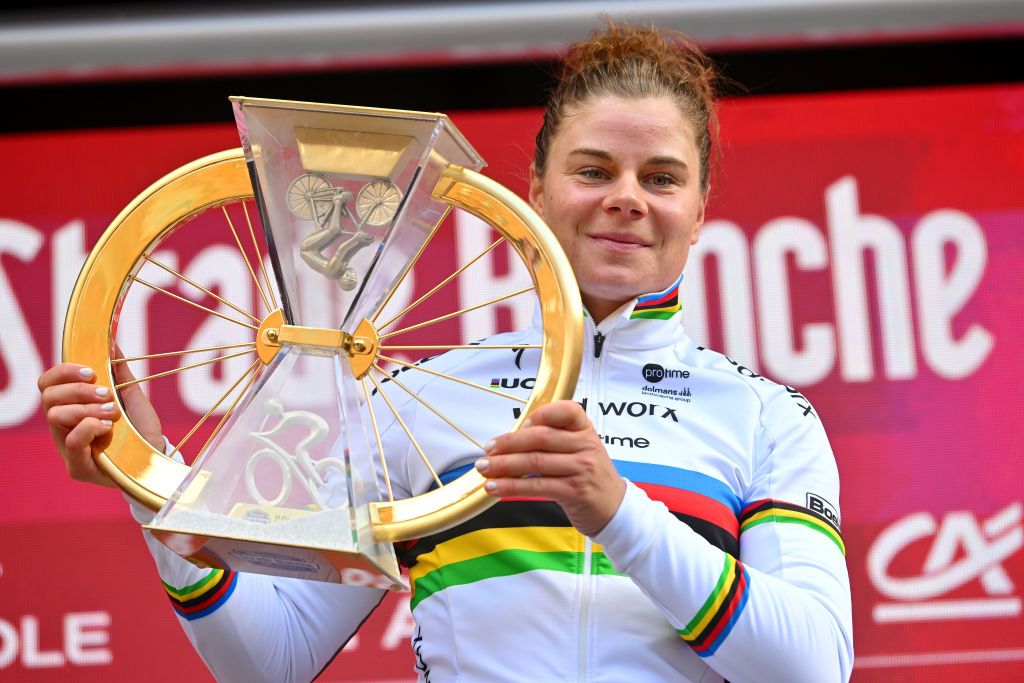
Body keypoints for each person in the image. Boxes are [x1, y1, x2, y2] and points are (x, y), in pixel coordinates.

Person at [38, 20, 853, 683]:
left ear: (702, 205)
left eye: (662, 177)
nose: (626, 199)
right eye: (594, 169)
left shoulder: (765, 417)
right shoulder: (416, 399)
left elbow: (813, 667)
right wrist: (146, 479)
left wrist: (617, 511)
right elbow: (272, 660)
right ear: (533, 188)